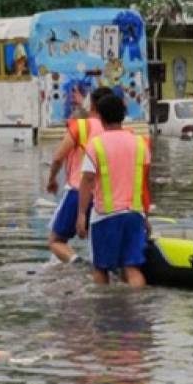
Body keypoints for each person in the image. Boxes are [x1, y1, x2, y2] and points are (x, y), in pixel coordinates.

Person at [76, 94, 151, 288]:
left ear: (100, 117)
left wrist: (81, 214)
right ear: (123, 115)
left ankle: (104, 310)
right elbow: (143, 184)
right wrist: (146, 217)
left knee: (101, 268)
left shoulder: (96, 145)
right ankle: (140, 309)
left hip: (105, 216)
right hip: (135, 214)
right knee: (132, 268)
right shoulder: (141, 143)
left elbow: (87, 180)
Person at [46, 86, 114, 264]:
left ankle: (76, 262)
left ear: (92, 105)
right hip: (106, 196)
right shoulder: (115, 130)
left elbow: (58, 157)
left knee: (56, 240)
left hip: (77, 191)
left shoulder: (80, 126)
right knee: (99, 245)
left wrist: (52, 179)